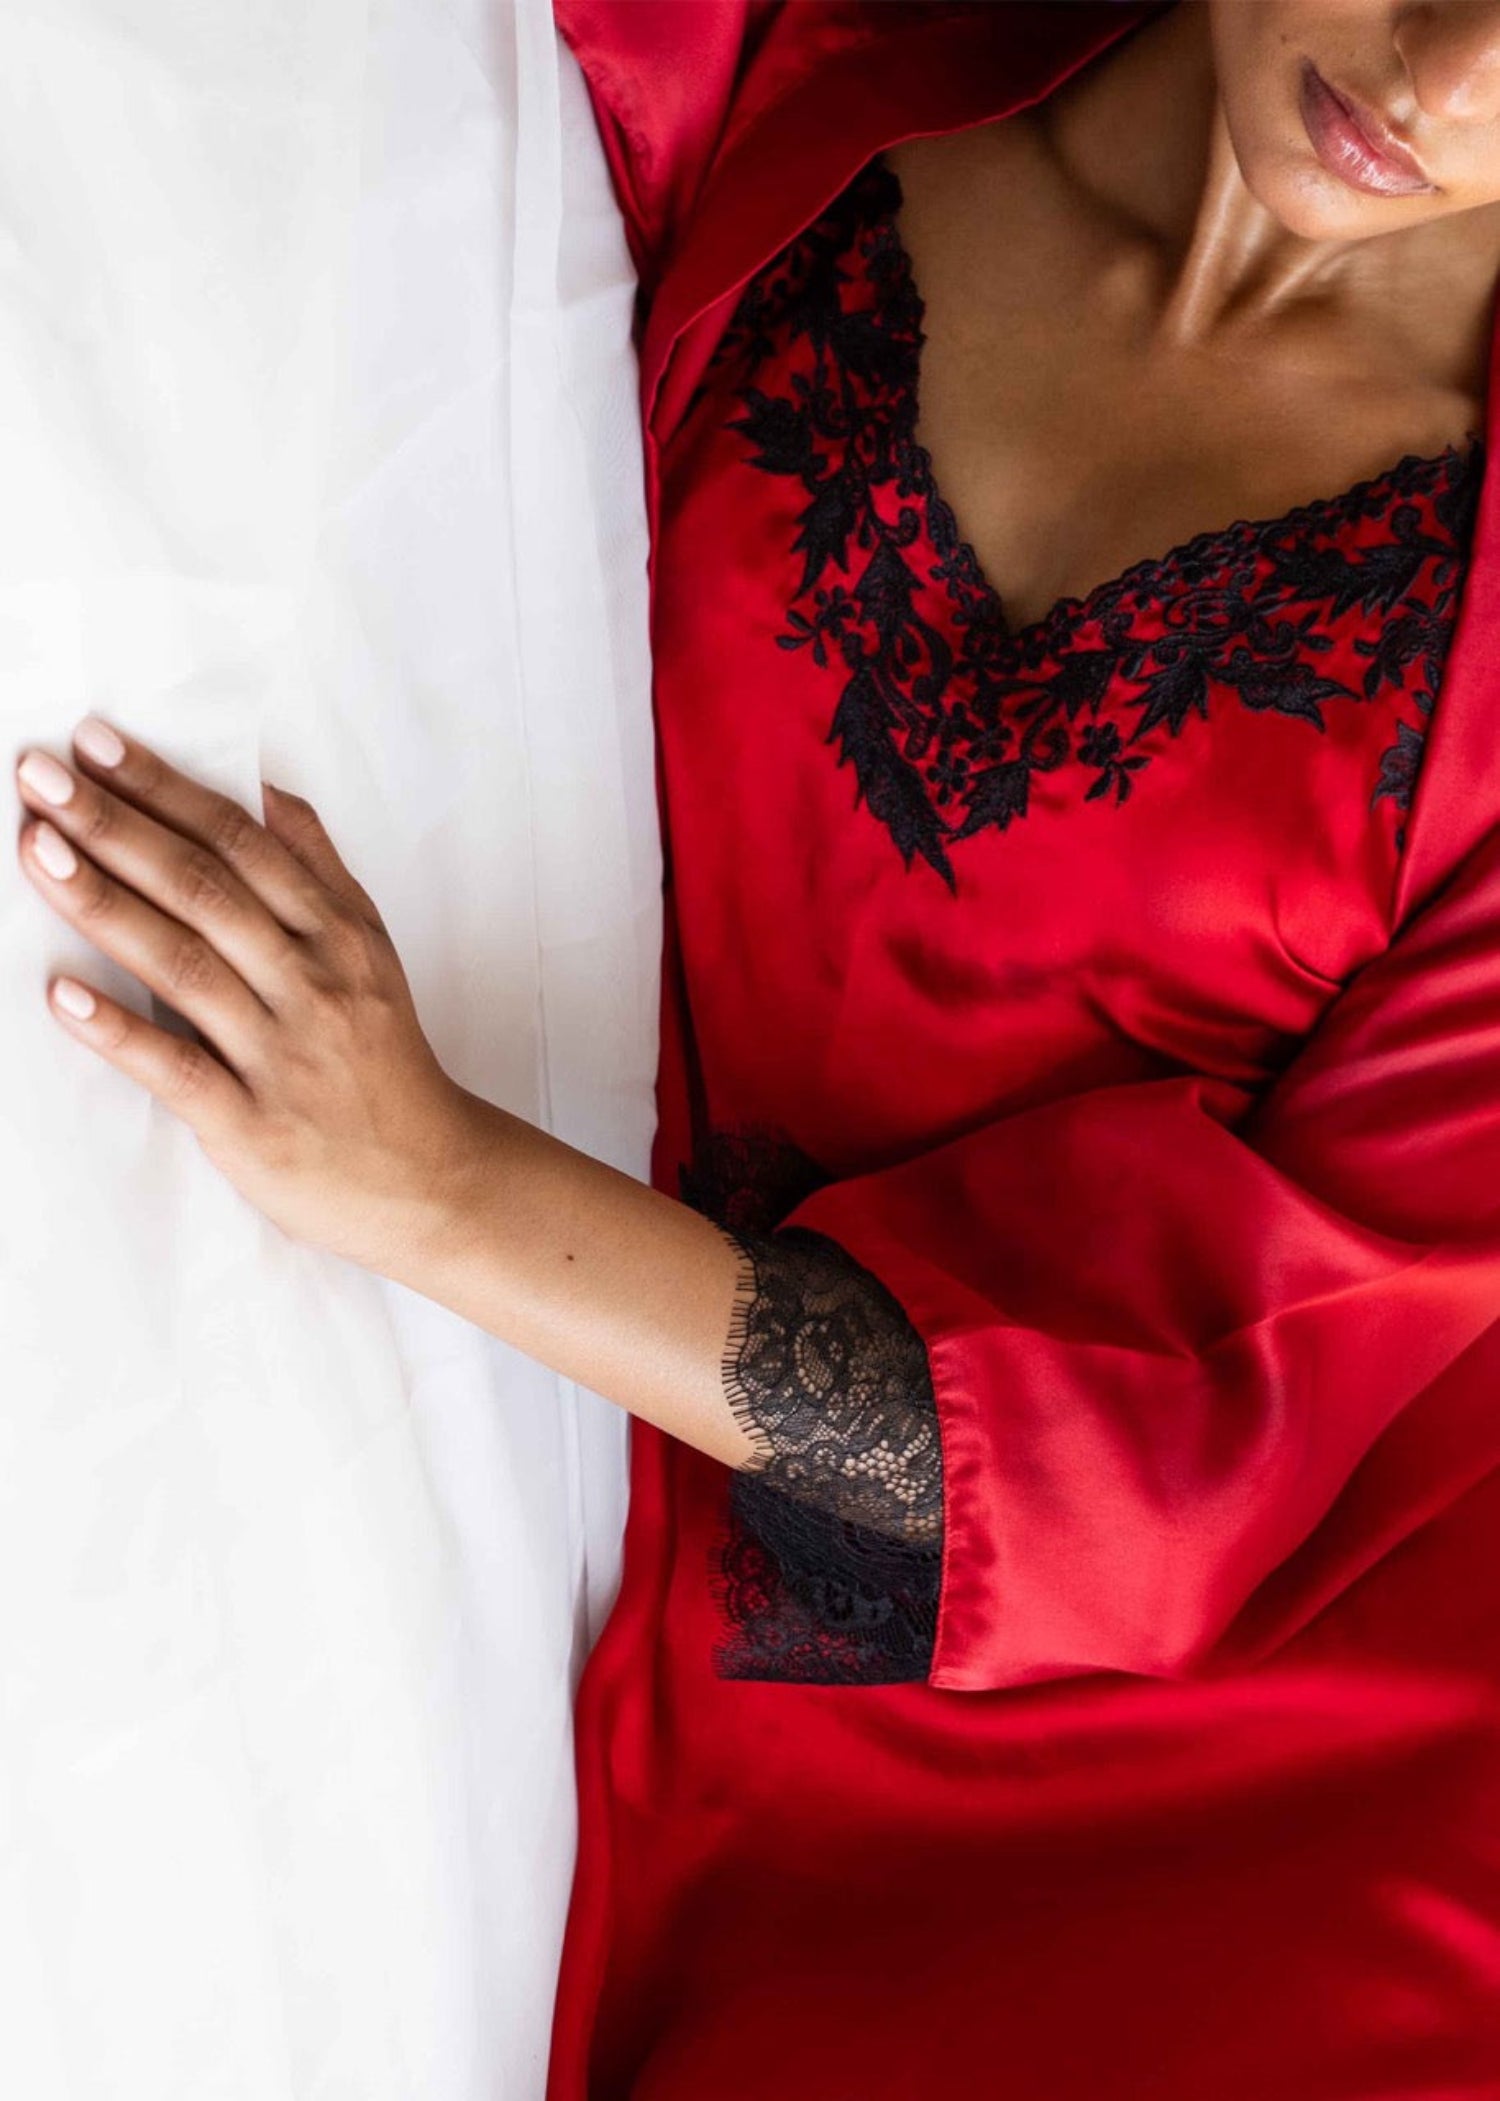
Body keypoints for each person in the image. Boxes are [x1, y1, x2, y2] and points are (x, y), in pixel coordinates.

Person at [13, 0, 1500, 2091]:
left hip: (1168, 1793)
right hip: (577, 1490)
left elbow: (1196, 1457)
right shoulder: (840, 60)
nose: (1440, 77)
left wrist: (428, 1177)